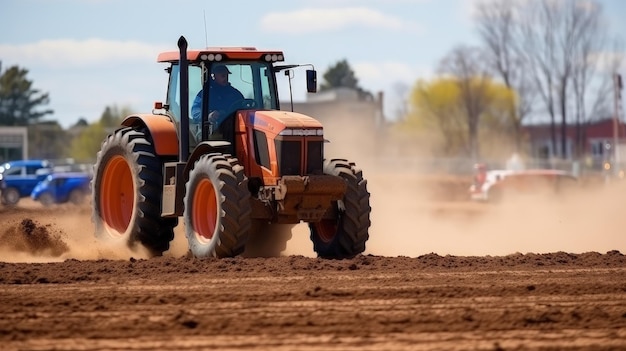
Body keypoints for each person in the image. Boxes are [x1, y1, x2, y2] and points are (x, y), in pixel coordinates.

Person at [191, 64, 244, 133]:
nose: (225, 78)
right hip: (213, 129)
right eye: (222, 75)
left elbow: (243, 106)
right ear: (215, 76)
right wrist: (208, 116)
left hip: (233, 128)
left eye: (226, 75)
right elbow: (195, 111)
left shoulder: (235, 94)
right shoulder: (206, 93)